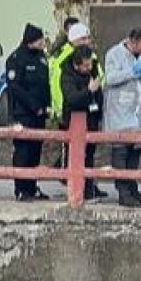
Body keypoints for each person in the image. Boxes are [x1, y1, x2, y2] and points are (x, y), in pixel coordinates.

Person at [104, 26, 141, 207]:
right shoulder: (114, 54)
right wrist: (132, 72)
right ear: (132, 41)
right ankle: (123, 192)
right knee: (120, 152)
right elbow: (110, 78)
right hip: (119, 111)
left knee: (135, 152)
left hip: (138, 111)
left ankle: (133, 188)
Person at [6, 23, 52, 202]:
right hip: (23, 113)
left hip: (40, 114)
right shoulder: (17, 58)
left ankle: (32, 187)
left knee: (35, 151)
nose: (43, 42)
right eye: (40, 39)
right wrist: (34, 106)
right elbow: (15, 88)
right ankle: (21, 189)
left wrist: (46, 106)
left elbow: (44, 84)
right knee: (23, 152)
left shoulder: (41, 57)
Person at [60, 45, 106, 200]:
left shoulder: (92, 73)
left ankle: (89, 187)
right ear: (76, 64)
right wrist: (89, 91)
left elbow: (99, 95)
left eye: (90, 64)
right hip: (75, 122)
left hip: (92, 119)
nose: (89, 68)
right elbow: (72, 98)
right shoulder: (67, 76)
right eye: (85, 65)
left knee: (90, 156)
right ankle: (77, 190)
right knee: (77, 157)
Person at [49, 22, 94, 126]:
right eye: (83, 39)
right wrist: (60, 110)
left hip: (90, 111)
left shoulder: (90, 55)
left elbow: (99, 78)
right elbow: (57, 85)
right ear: (73, 40)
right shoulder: (63, 59)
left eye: (88, 38)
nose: (87, 42)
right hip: (70, 112)